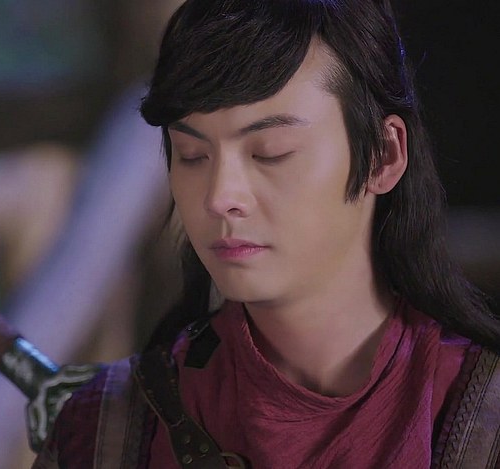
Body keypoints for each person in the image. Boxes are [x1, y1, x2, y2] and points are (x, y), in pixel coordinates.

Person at [32, 0, 500, 468]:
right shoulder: (103, 431)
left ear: (383, 155)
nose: (220, 197)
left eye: (271, 153)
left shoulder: (482, 421)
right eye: (192, 155)